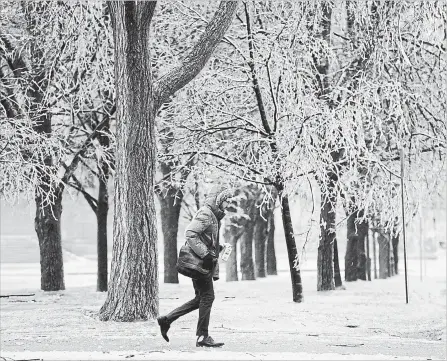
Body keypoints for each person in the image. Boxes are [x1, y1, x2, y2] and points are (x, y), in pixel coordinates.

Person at [157, 186, 234, 348]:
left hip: (203, 262)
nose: (228, 204)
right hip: (200, 263)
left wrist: (218, 248)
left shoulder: (213, 216)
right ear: (220, 200)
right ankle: (202, 337)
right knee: (207, 297)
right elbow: (190, 233)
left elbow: (205, 238)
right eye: (227, 201)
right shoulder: (206, 213)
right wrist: (206, 254)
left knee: (201, 299)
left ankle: (167, 320)